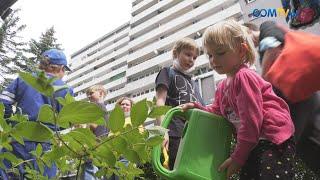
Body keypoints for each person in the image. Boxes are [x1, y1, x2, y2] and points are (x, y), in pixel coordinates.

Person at [181, 20, 295, 179]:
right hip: (252, 142)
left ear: (242, 51)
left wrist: (237, 157)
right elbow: (217, 112)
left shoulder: (244, 76)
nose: (213, 60)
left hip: (271, 139)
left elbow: (251, 120)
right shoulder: (222, 87)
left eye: (220, 53)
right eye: (210, 55)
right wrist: (197, 108)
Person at [245, 20, 320, 176]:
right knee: (307, 148)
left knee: (287, 146)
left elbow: (272, 46)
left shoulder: (266, 27)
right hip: (299, 93)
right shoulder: (261, 52)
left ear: (249, 31)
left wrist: (263, 84)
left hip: (297, 97)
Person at [0, 49, 73, 179]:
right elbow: (68, 121)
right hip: (46, 144)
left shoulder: (23, 79)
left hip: (18, 138)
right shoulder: (66, 89)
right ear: (61, 68)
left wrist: (10, 123)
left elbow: (3, 103)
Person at [155, 37, 205, 170]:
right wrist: (162, 131)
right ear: (176, 53)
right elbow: (160, 101)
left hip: (193, 133)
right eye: (188, 54)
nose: (191, 60)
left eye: (194, 57)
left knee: (193, 170)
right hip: (175, 131)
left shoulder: (192, 82)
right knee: (177, 169)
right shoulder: (167, 72)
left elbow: (203, 109)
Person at [80, 84, 108, 180]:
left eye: (91, 93)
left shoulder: (96, 107)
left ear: (100, 93)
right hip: (102, 147)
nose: (88, 96)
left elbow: (92, 126)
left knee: (89, 171)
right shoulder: (105, 110)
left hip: (92, 146)